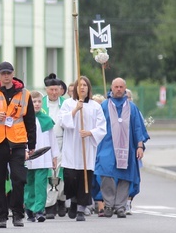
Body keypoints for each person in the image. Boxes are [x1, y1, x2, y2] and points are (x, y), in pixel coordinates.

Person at [0, 61, 36, 229]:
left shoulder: (25, 94)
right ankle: (1, 216)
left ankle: (18, 214)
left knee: (19, 179)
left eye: (8, 73)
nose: (6, 76)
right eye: (3, 73)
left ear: (13, 73)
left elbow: (30, 120)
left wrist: (31, 144)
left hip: (17, 142)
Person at [95, 78, 150, 218]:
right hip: (107, 146)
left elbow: (138, 128)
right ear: (111, 88)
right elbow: (97, 125)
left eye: (121, 87)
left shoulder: (131, 107)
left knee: (125, 176)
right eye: (116, 87)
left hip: (127, 147)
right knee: (106, 172)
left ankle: (120, 206)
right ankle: (108, 204)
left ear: (125, 88)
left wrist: (139, 146)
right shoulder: (104, 106)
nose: (118, 89)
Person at [57, 76, 106, 221]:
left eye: (85, 85)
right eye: (80, 85)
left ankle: (80, 209)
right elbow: (62, 121)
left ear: (88, 88)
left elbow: (102, 126)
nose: (82, 87)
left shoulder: (95, 106)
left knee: (84, 178)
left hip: (86, 146)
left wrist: (90, 132)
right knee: (71, 177)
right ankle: (73, 201)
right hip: (72, 146)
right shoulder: (68, 103)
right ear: (76, 88)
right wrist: (75, 110)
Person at [25, 91, 59, 222]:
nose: (37, 104)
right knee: (29, 183)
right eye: (34, 102)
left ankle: (39, 210)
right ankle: (29, 208)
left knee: (40, 184)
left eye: (39, 101)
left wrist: (54, 156)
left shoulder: (46, 120)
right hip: (28, 156)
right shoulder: (24, 120)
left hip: (43, 157)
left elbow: (52, 140)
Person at [41, 73, 67, 219]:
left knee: (61, 174)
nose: (54, 92)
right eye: (51, 90)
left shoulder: (66, 103)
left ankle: (61, 200)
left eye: (56, 89)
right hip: (47, 143)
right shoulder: (41, 104)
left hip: (63, 142)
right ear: (46, 90)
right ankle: (49, 205)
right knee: (50, 174)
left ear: (60, 90)